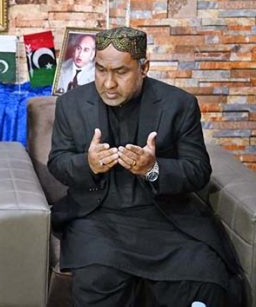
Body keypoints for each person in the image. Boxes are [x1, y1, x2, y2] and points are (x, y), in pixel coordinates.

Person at [48, 27, 245, 306]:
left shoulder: (179, 104)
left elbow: (198, 171)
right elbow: (57, 162)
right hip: (97, 220)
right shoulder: (71, 104)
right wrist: (88, 163)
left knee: (205, 279)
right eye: (101, 70)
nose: (108, 83)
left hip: (165, 218)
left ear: (144, 68)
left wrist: (153, 169)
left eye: (121, 72)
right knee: (98, 278)